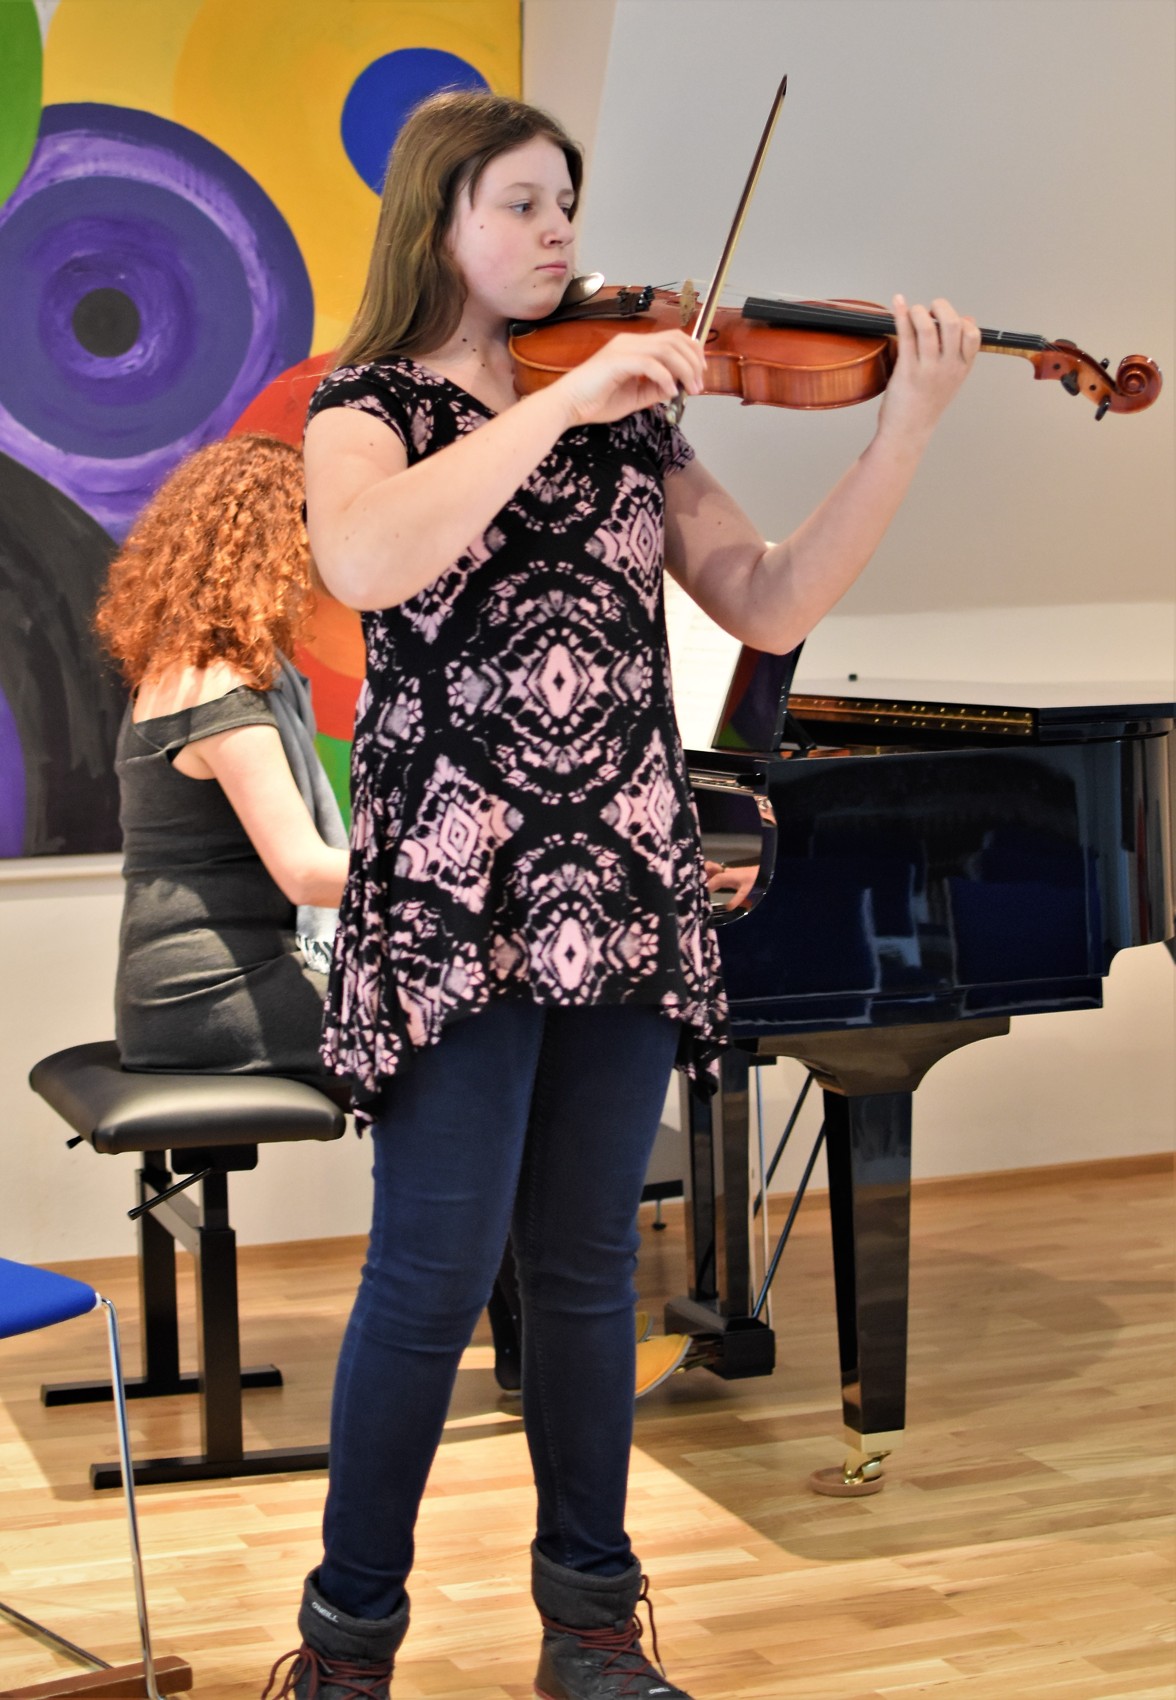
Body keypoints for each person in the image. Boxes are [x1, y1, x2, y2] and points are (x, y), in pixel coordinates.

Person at [272, 89, 980, 1700]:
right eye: (522, 204)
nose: (560, 234)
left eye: (566, 205)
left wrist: (905, 432)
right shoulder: (367, 407)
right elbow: (369, 562)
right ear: (439, 222)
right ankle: (345, 1647)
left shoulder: (635, 424)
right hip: (458, 896)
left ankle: (590, 1628)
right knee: (430, 1276)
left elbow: (770, 599)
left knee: (591, 1268)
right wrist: (569, 400)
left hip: (620, 882)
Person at [93, 434, 349, 1080]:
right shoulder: (221, 690)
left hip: (180, 992)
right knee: (459, 1037)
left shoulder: (180, 671)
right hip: (214, 994)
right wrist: (448, 876)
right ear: (276, 549)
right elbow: (305, 874)